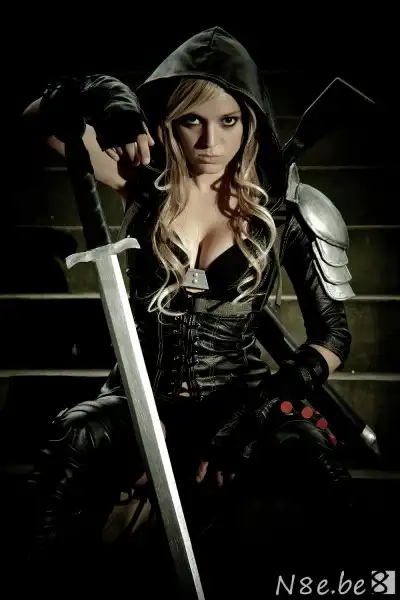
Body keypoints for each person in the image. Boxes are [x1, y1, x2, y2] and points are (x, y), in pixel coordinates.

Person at [23, 26, 355, 577]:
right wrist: (111, 99)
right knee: (74, 434)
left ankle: (356, 586)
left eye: (228, 121)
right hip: (141, 394)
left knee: (311, 455)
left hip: (240, 397)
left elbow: (334, 335)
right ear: (167, 123)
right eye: (191, 121)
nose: (210, 142)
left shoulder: (282, 213)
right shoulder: (141, 183)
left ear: (250, 121)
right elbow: (37, 119)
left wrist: (256, 414)